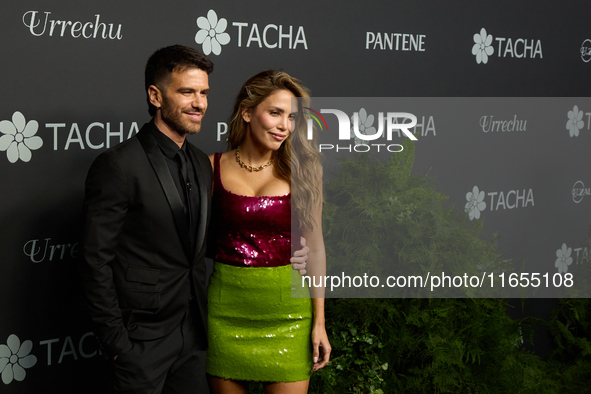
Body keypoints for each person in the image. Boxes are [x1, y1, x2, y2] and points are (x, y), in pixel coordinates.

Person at [80, 45, 309, 393]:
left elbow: (208, 241)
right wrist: (117, 346)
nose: (199, 103)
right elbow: (94, 261)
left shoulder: (203, 163)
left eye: (203, 93)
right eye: (186, 92)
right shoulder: (119, 165)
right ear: (155, 96)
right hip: (141, 341)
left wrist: (287, 249)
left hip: (195, 339)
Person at [206, 70, 330, 394]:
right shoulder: (209, 168)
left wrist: (320, 323)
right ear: (247, 112)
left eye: (290, 117)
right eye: (275, 112)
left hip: (289, 317)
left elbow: (315, 249)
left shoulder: (304, 171)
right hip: (225, 314)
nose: (284, 126)